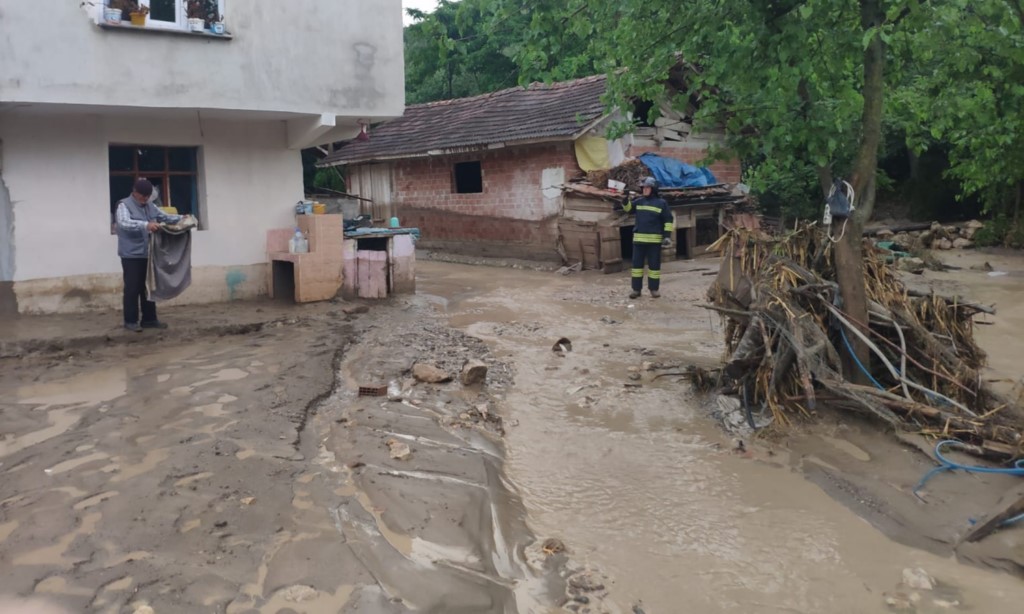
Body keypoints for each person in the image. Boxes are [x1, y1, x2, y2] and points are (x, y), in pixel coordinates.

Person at [115, 179, 181, 332]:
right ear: (135, 192)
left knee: (148, 287)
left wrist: (184, 218)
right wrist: (146, 225)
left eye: (148, 196)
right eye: (143, 196)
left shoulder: (150, 206)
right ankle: (130, 321)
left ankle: (149, 319)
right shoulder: (123, 205)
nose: (145, 199)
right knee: (132, 288)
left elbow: (164, 217)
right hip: (131, 255)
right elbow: (124, 223)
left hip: (149, 253)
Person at [622, 176, 673, 298]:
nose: (644, 190)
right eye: (643, 188)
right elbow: (628, 209)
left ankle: (654, 289)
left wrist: (667, 236)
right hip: (639, 241)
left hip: (654, 242)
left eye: (647, 188)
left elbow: (668, 220)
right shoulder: (639, 202)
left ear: (653, 189)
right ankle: (636, 290)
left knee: (654, 268)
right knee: (636, 267)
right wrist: (625, 199)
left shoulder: (661, 203)